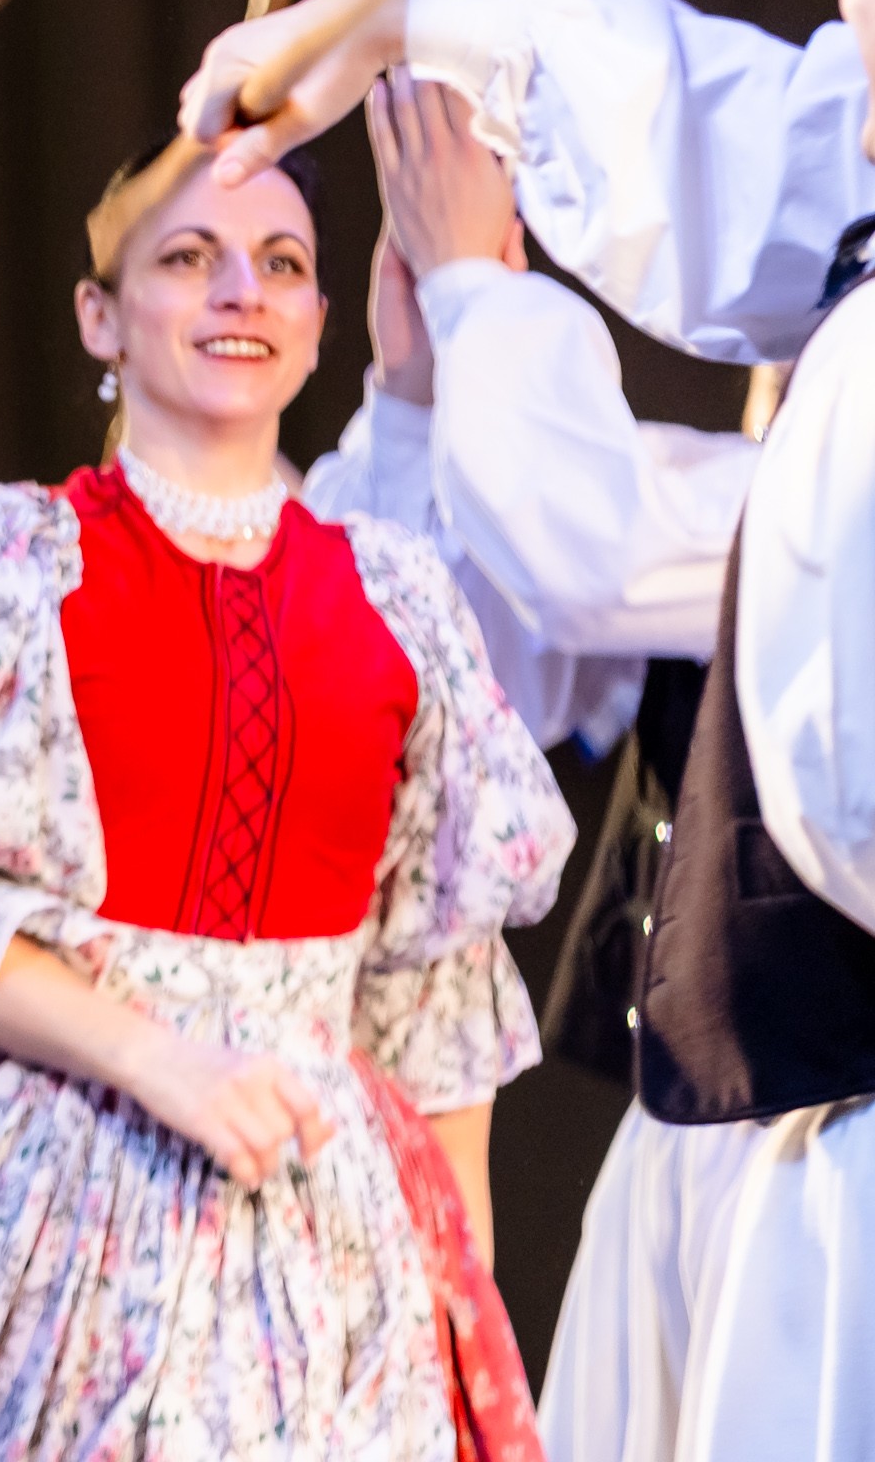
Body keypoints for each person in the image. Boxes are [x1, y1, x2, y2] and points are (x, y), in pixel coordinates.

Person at [0, 135, 571, 1462]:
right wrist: (161, 1062)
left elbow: (435, 998)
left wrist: (466, 1320)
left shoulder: (398, 602)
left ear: (319, 324)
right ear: (100, 316)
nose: (241, 290)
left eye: (281, 263)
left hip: (329, 1234)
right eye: (188, 257)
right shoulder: (0, 571)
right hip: (52, 1205)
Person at [179, 0, 875, 1462]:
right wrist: (425, 374)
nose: (849, 6)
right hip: (731, 1111)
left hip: (821, 1120)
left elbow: (585, 537)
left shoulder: (814, 441)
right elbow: (445, 653)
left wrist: (476, 282)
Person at [302, 71, 756, 1083]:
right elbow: (460, 670)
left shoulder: (828, 489)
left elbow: (592, 553)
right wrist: (415, 404)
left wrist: (472, 290)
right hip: (727, 1085)